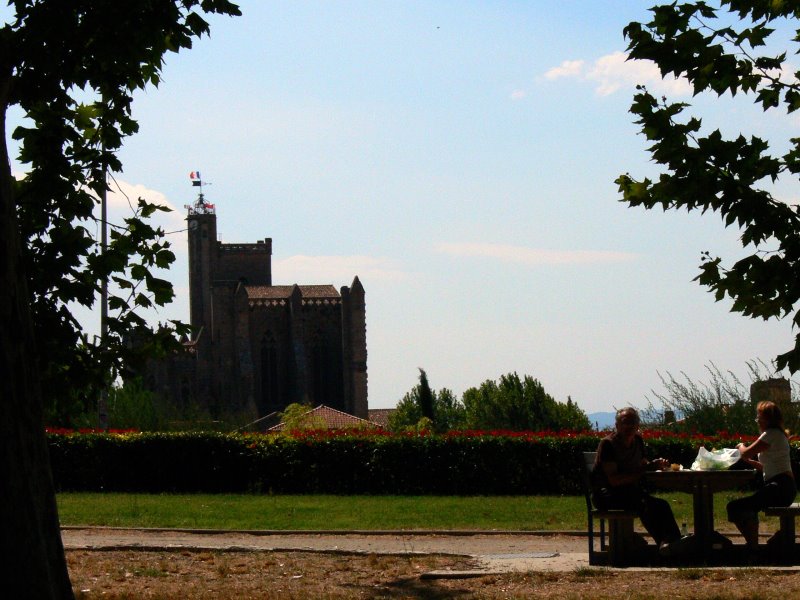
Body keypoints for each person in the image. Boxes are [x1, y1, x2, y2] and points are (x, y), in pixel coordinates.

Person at [592, 407, 683, 556]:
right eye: (624, 422)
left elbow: (642, 464)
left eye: (632, 422)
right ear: (617, 426)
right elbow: (614, 480)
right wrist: (644, 470)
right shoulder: (608, 444)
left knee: (662, 505)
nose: (628, 426)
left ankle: (674, 543)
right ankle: (665, 545)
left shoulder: (638, 441)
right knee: (644, 505)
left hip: (630, 492)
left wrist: (656, 464)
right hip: (606, 495)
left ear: (637, 426)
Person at [727, 401, 796, 553]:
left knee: (735, 507)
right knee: (744, 505)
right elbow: (769, 466)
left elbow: (745, 452)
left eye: (759, 417)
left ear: (766, 419)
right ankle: (755, 544)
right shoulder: (778, 434)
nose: (757, 420)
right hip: (784, 487)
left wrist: (740, 446)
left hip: (779, 488)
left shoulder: (770, 434)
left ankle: (753, 547)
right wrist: (752, 463)